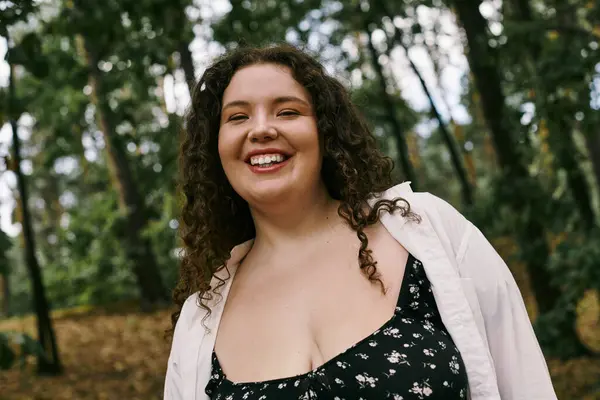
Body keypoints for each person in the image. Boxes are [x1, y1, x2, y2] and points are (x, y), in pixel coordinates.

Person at [164, 44, 557, 400]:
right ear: (215, 149)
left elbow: (527, 384)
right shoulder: (201, 319)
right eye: (237, 117)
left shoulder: (426, 230)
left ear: (324, 131)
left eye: (287, 111)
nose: (262, 129)